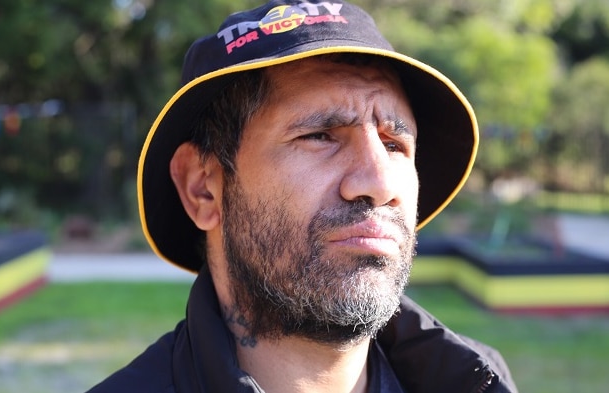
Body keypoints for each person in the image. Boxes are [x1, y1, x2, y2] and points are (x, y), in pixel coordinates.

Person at [88, 1, 518, 392]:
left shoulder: (476, 379)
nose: (380, 183)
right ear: (203, 188)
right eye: (320, 136)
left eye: (394, 145)